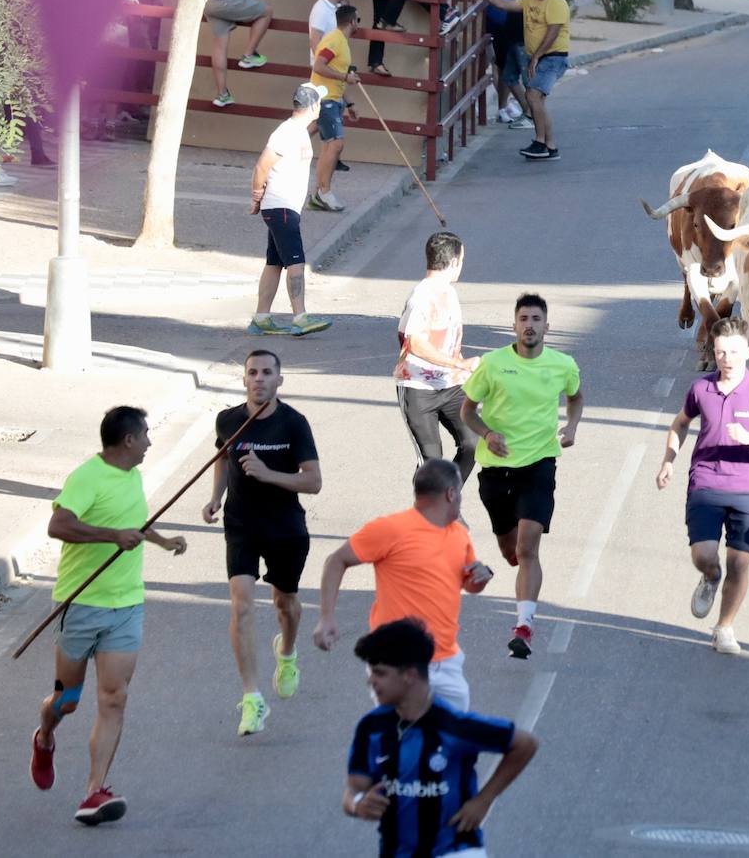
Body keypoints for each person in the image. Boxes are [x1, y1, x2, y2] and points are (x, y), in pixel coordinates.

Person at [30, 407, 188, 825]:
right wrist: (111, 537)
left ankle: (94, 791)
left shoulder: (133, 475)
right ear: (129, 441)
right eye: (146, 436)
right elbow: (58, 526)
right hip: (80, 606)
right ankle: (45, 737)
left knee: (114, 698)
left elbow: (132, 521)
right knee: (67, 701)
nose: (151, 443)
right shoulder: (87, 477)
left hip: (126, 606)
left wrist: (162, 540)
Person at [655, 318, 749, 654]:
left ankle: (725, 627)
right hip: (706, 480)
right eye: (720, 352)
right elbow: (680, 424)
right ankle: (710, 577)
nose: (726, 358)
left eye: (733, 351)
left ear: (748, 351)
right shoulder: (701, 389)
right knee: (704, 555)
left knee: (739, 564)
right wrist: (669, 460)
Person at [343, 619, 539, 856]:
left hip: (456, 850)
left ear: (410, 675)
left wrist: (484, 800)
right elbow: (354, 790)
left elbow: (525, 744)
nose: (370, 681)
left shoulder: (455, 725)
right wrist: (357, 804)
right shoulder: (371, 727)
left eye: (379, 673)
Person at [203, 350, 323, 736]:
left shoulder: (294, 425)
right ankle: (252, 698)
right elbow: (222, 456)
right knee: (241, 606)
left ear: (279, 381)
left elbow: (313, 481)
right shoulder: (228, 420)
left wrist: (269, 474)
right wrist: (215, 497)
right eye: (252, 372)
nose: (259, 379)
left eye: (267, 373)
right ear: (244, 380)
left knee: (285, 604)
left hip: (285, 527)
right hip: (241, 525)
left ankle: (286, 653)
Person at [460, 293, 583, 659]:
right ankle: (519, 574)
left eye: (536, 319)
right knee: (510, 550)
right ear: (514, 325)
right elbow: (468, 410)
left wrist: (572, 426)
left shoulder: (563, 364)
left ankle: (524, 625)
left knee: (528, 547)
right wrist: (487, 434)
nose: (529, 325)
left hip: (539, 464)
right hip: (496, 468)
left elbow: (575, 396)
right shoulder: (494, 364)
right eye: (523, 319)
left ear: (547, 326)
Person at [314, 460, 493, 710]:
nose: (461, 498)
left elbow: (470, 584)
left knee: (454, 743)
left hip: (446, 659)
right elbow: (337, 560)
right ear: (451, 494)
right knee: (404, 741)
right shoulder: (391, 529)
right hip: (396, 662)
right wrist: (326, 617)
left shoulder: (459, 535)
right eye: (460, 492)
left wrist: (480, 578)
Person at [247, 83, 333, 338]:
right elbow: (262, 165)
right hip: (281, 206)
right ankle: (300, 316)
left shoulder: (298, 131)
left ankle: (262, 317)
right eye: (319, 102)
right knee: (296, 261)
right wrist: (256, 197)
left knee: (275, 262)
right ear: (314, 105)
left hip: (283, 207)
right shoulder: (286, 132)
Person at [395, 231, 479, 483]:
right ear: (453, 262)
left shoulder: (449, 292)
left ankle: (445, 499)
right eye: (462, 260)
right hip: (418, 389)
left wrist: (463, 371)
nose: (462, 266)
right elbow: (416, 344)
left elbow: (448, 341)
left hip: (451, 386)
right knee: (432, 461)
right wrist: (459, 363)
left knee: (474, 442)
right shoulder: (422, 296)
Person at [470, 0, 571, 161]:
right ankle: (550, 147)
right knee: (537, 100)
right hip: (540, 57)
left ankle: (540, 143)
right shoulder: (530, 0)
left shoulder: (557, 2)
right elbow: (504, 4)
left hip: (554, 57)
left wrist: (535, 57)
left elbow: (553, 33)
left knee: (533, 95)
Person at [205, 0, 282, 109]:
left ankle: (222, 94)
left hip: (208, 1)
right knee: (266, 11)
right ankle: (248, 55)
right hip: (228, 1)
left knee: (219, 46)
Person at [308, 4, 361, 212]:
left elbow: (338, 74)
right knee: (335, 145)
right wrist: (345, 78)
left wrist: (349, 103)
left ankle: (319, 193)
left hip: (334, 99)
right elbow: (319, 65)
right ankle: (323, 192)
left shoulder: (341, 42)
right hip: (325, 99)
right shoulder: (334, 40)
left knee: (329, 146)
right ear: (353, 21)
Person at [482, 0, 534, 126]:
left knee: (526, 80)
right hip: (502, 32)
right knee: (507, 75)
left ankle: (530, 114)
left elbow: (502, 1)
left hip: (521, 40)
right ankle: (522, 111)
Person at [308, 0, 349, 64]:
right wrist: (322, 65)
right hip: (326, 68)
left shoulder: (336, 7)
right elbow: (315, 41)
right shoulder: (321, 9)